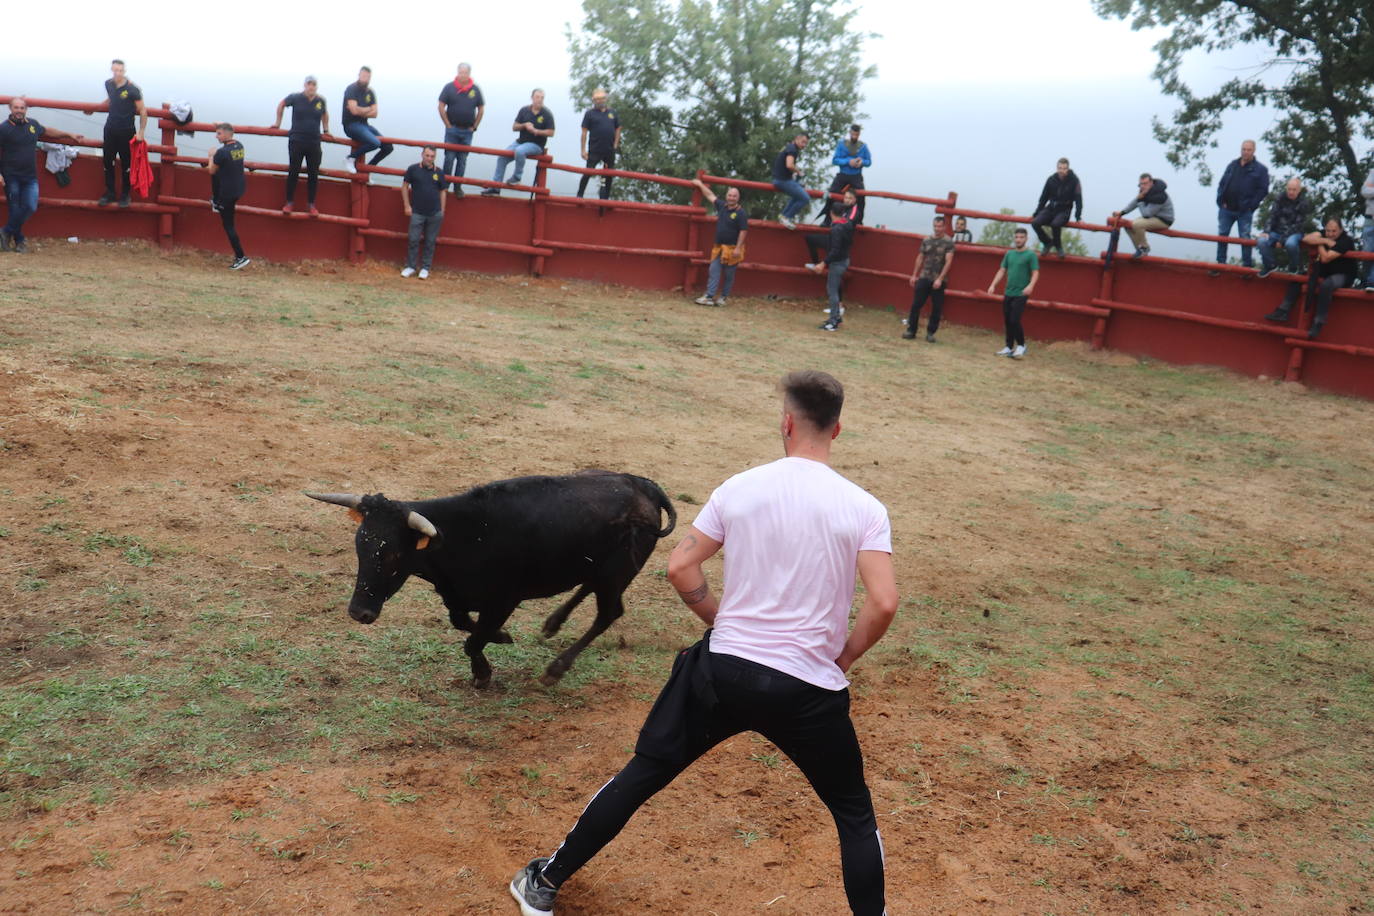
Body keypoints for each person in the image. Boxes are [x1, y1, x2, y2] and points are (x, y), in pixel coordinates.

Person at [509, 368, 897, 916]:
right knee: (854, 816)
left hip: (723, 672)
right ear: (836, 429)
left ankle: (544, 883)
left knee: (644, 773)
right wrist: (847, 655)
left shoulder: (739, 487)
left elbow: (681, 566)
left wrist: (721, 620)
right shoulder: (864, 508)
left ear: (786, 422)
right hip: (807, 687)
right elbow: (883, 602)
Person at [0, 97, 84, 253]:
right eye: (16, 108)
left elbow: (48, 131)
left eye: (22, 108)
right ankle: (20, 242)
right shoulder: (3, 129)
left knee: (30, 206)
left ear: (26, 110)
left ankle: (5, 231)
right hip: (11, 175)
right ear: (10, 109)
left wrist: (69, 134)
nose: (19, 111)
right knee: (15, 208)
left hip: (30, 176)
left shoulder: (33, 125)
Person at [1264, 218, 1356, 339]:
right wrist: (1325, 240)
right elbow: (1306, 238)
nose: (1331, 234)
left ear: (1341, 230)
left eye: (1334, 231)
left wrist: (1319, 243)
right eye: (1328, 231)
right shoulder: (1325, 235)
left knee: (1326, 285)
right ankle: (1283, 310)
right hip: (1324, 271)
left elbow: (1325, 258)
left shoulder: (1346, 241)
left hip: (1343, 274)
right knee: (1299, 277)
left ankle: (1319, 322)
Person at [273, 76, 331, 215]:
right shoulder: (295, 97)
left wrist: (326, 130)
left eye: (314, 84)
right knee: (294, 172)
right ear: (304, 85)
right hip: (297, 140)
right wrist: (277, 123)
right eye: (309, 84)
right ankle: (289, 203)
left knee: (313, 174)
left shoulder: (321, 100)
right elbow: (281, 104)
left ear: (317, 86)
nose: (311, 87)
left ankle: (311, 204)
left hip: (314, 142)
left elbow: (325, 114)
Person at [484, 89, 554, 194]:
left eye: (542, 98)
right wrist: (524, 125)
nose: (540, 100)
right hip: (520, 141)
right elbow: (514, 127)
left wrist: (537, 131)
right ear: (532, 98)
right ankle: (495, 187)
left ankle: (517, 177)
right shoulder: (524, 110)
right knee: (502, 157)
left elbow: (551, 132)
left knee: (520, 151)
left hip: (536, 145)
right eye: (537, 97)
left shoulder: (547, 114)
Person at [691, 177, 747, 307]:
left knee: (729, 275)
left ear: (738, 198)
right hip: (719, 247)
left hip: (733, 249)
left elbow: (743, 231)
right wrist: (700, 184)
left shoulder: (741, 213)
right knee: (713, 270)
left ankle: (723, 298)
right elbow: (710, 195)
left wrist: (738, 248)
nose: (731, 198)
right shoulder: (722, 206)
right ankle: (709, 296)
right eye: (730, 195)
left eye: (734, 196)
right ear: (727, 196)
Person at [99, 59, 147, 208]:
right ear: (111, 70)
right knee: (108, 162)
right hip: (110, 129)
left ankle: (126, 195)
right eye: (115, 70)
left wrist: (141, 132)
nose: (117, 73)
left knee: (127, 164)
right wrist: (95, 108)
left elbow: (143, 111)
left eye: (120, 71)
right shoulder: (108, 84)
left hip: (127, 131)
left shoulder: (133, 90)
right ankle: (110, 192)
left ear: (124, 71)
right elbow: (112, 98)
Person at [1214, 140, 1268, 269]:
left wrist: (1251, 205)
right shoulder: (1233, 165)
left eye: (1248, 149)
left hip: (1244, 211)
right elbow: (1222, 183)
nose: (1246, 152)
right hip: (1227, 208)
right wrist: (1221, 201)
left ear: (1254, 151)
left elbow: (1263, 190)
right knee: (1222, 235)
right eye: (1244, 149)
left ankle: (1246, 267)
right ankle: (1220, 264)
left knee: (1245, 238)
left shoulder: (1260, 169)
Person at [987, 226, 1039, 359]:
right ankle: (1009, 347)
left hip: (1021, 293)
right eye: (1016, 237)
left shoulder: (1031, 255)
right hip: (1008, 292)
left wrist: (1031, 286)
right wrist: (993, 285)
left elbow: (1035, 272)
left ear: (1026, 239)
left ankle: (1021, 345)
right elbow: (1002, 271)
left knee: (1014, 319)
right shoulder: (1009, 254)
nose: (1018, 240)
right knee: (1007, 320)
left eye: (1021, 237)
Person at [902, 215, 956, 342]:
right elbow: (920, 257)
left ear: (944, 227)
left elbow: (949, 261)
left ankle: (931, 333)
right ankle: (911, 330)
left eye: (940, 226)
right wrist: (914, 274)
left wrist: (940, 278)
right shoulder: (926, 240)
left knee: (936, 307)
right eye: (935, 226)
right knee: (916, 304)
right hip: (924, 276)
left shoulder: (948, 242)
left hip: (938, 279)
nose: (937, 229)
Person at [207, 123, 249, 270]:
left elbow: (211, 170)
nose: (216, 136)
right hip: (238, 188)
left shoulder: (221, 153)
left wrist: (211, 156)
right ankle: (216, 202)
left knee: (228, 225)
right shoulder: (239, 145)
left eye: (218, 133)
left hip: (227, 194)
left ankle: (241, 257)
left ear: (226, 135)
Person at [808, 200, 855, 331]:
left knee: (832, 291)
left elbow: (834, 250)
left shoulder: (836, 229)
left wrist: (823, 263)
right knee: (833, 290)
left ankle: (833, 321)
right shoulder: (847, 224)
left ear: (831, 213)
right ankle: (836, 318)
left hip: (837, 262)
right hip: (844, 259)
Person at [400, 145, 446, 280]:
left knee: (430, 241)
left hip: (435, 213)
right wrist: (407, 206)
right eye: (427, 155)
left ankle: (425, 268)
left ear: (435, 157)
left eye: (432, 156)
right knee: (413, 239)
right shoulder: (413, 169)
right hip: (417, 212)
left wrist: (442, 210)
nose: (429, 158)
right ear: (422, 155)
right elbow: (404, 187)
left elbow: (443, 191)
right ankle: (411, 266)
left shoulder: (439, 172)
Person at [437, 63, 484, 193]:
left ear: (469, 74)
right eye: (461, 72)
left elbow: (481, 109)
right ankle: (444, 186)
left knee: (462, 160)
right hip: (452, 129)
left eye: (465, 73)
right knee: (449, 158)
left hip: (467, 131)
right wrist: (447, 124)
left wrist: (475, 126)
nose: (463, 75)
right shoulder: (449, 87)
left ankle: (458, 187)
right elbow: (441, 106)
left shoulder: (475, 89)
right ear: (457, 72)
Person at [1255, 178, 1312, 278]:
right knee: (1261, 241)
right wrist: (1266, 231)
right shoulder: (1280, 198)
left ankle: (1294, 267)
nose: (1291, 192)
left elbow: (1298, 225)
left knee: (1290, 244)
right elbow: (1272, 215)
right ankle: (1270, 265)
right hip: (1277, 231)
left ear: (1299, 190)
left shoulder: (1303, 203)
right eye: (1289, 189)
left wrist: (1282, 240)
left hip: (1295, 232)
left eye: (1294, 190)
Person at [341, 66, 393, 175]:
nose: (365, 79)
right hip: (351, 125)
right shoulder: (351, 89)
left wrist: (361, 109)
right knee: (374, 142)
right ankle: (350, 158)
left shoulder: (370, 92)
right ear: (359, 75)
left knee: (388, 147)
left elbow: (375, 113)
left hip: (364, 125)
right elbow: (354, 112)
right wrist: (368, 109)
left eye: (367, 77)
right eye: (363, 76)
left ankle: (367, 170)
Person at [1112, 173, 1174, 259]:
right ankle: (1140, 249)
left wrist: (1141, 200)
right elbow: (1135, 202)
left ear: (1151, 182)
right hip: (1154, 216)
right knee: (1128, 225)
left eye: (1145, 183)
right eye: (1141, 184)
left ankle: (1144, 248)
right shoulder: (1144, 191)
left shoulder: (1160, 196)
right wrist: (1122, 212)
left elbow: (1146, 214)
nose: (1143, 186)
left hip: (1164, 220)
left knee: (1137, 225)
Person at [1030, 157, 1082, 258]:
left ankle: (1058, 247)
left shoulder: (1074, 181)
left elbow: (1078, 199)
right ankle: (1047, 242)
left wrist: (1078, 216)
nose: (1061, 171)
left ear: (1068, 169)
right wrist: (1037, 211)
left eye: (1064, 168)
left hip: (1065, 210)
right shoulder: (1051, 179)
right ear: (1057, 168)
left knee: (1055, 224)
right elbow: (1043, 197)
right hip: (1051, 208)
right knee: (1035, 223)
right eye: (1059, 168)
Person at [577, 88, 620, 200]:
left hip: (609, 149)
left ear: (605, 99)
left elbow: (618, 128)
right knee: (588, 172)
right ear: (594, 100)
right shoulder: (590, 113)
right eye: (597, 99)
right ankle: (579, 195)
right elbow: (584, 132)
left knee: (609, 174)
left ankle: (606, 199)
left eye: (602, 99)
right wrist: (583, 150)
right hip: (595, 148)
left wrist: (615, 145)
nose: (600, 101)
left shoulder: (612, 113)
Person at [827, 123, 870, 224]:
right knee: (831, 194)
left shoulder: (863, 146)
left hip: (856, 176)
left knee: (861, 197)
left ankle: (859, 221)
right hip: (843, 174)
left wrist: (861, 162)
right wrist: (848, 161)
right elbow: (835, 160)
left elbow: (869, 162)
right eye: (853, 134)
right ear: (850, 133)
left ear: (859, 134)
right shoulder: (841, 144)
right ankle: (827, 219)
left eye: (856, 135)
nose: (854, 136)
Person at [771, 132, 810, 228]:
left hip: (780, 178)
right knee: (805, 198)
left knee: (798, 195)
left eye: (806, 143)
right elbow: (789, 165)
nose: (804, 145)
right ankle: (787, 217)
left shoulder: (788, 147)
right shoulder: (792, 150)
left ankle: (783, 215)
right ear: (797, 138)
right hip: (782, 180)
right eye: (803, 142)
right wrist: (799, 171)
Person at [1360, 166, 1374, 291]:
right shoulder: (1373, 172)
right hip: (1370, 219)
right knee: (1367, 251)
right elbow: (1365, 191)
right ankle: (1365, 280)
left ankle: (1371, 282)